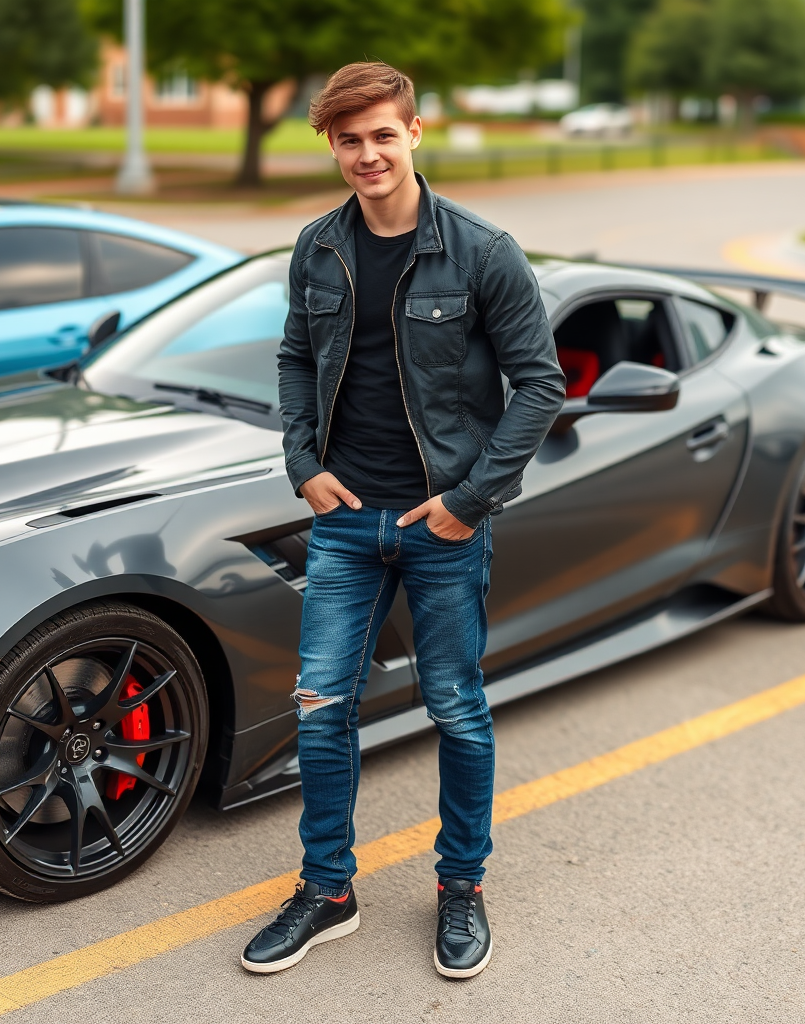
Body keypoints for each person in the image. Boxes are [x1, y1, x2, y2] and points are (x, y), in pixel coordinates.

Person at [241, 61, 565, 979]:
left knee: (457, 709)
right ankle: (327, 889)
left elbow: (541, 385)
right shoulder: (317, 246)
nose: (367, 154)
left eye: (384, 134)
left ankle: (460, 887)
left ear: (416, 133)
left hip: (441, 523)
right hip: (345, 520)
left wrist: (469, 503)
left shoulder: (481, 250)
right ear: (332, 147)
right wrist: (303, 464)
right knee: (319, 709)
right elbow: (297, 358)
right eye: (349, 139)